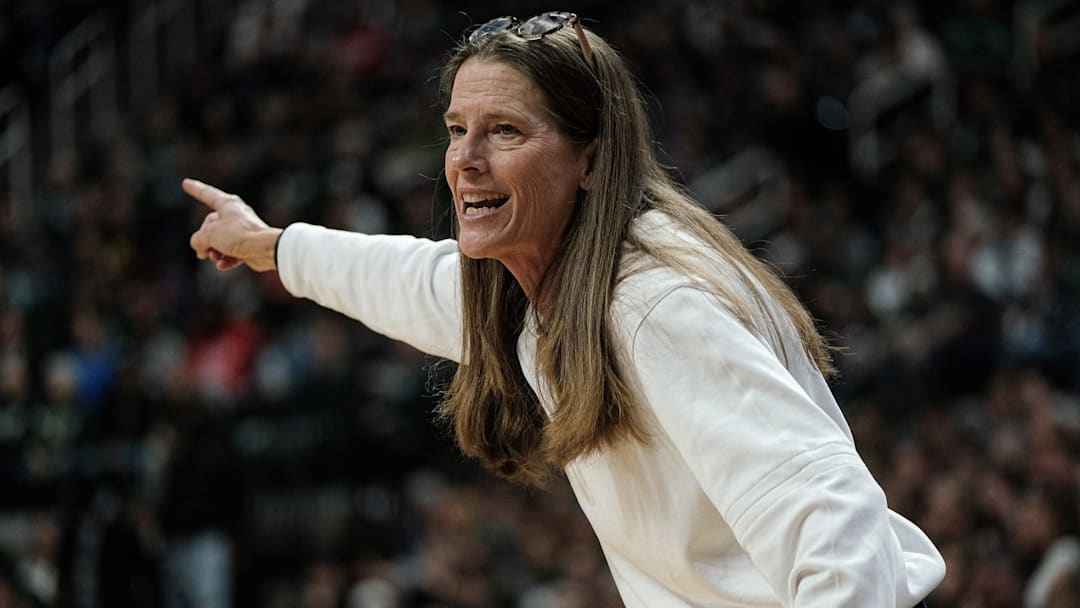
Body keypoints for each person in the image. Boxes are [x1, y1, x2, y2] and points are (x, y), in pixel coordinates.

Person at [185, 11, 946, 607]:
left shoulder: (653, 309)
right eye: (457, 130)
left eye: (505, 131)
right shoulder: (543, 286)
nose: (465, 159)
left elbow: (828, 511)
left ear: (590, 159)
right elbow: (414, 280)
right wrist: (271, 246)